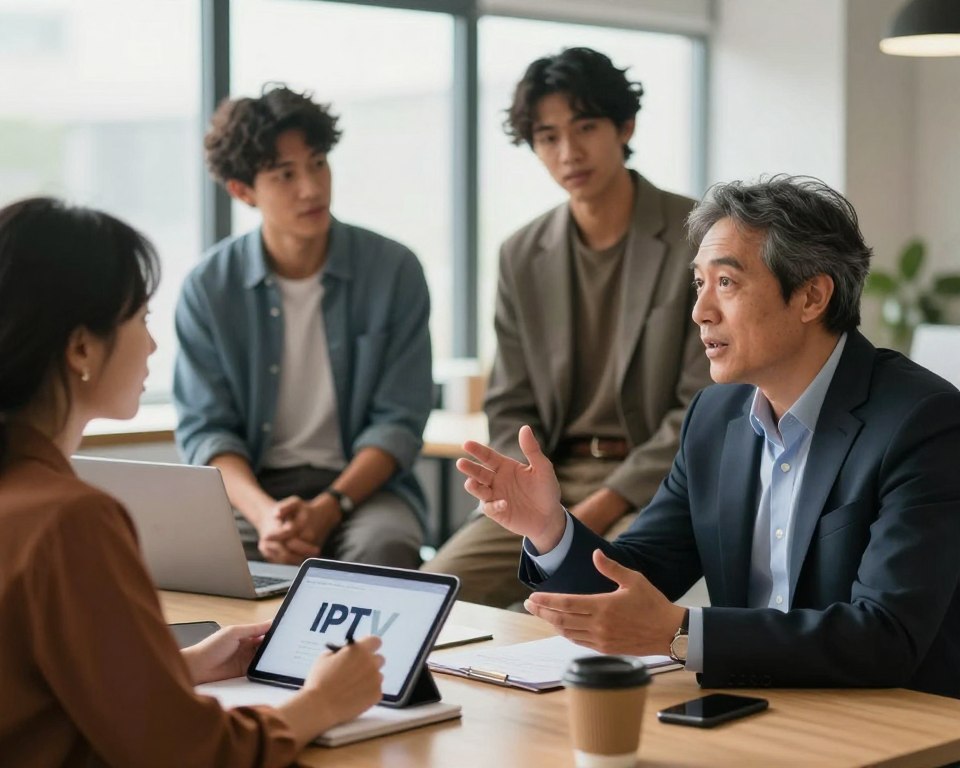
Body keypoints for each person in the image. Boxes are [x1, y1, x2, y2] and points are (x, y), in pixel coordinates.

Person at [456, 175, 960, 697]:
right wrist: (550, 529)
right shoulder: (715, 417)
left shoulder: (923, 422)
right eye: (699, 283)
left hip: (894, 722)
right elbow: (634, 583)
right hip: (753, 702)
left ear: (812, 296)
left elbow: (886, 637)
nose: (699, 311)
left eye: (727, 283)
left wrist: (681, 632)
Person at [0, 197, 385, 766]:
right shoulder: (70, 519)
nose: (153, 344)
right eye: (142, 318)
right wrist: (321, 702)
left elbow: (36, 690)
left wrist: (185, 664)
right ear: (82, 347)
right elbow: (188, 752)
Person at [423, 47, 710, 606]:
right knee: (432, 595)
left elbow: (702, 405)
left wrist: (601, 502)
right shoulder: (520, 254)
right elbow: (510, 402)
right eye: (548, 137)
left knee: (596, 605)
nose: (568, 152)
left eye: (585, 128)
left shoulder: (695, 235)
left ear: (623, 126)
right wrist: (527, 493)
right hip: (547, 483)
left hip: (651, 486)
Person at [174, 85, 432, 569]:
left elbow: (399, 421)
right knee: (209, 564)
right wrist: (266, 514)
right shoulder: (209, 287)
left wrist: (329, 507)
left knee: (386, 547)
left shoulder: (393, 269)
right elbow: (207, 432)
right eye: (284, 174)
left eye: (317, 163)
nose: (311, 188)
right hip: (255, 492)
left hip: (364, 491)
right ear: (243, 190)